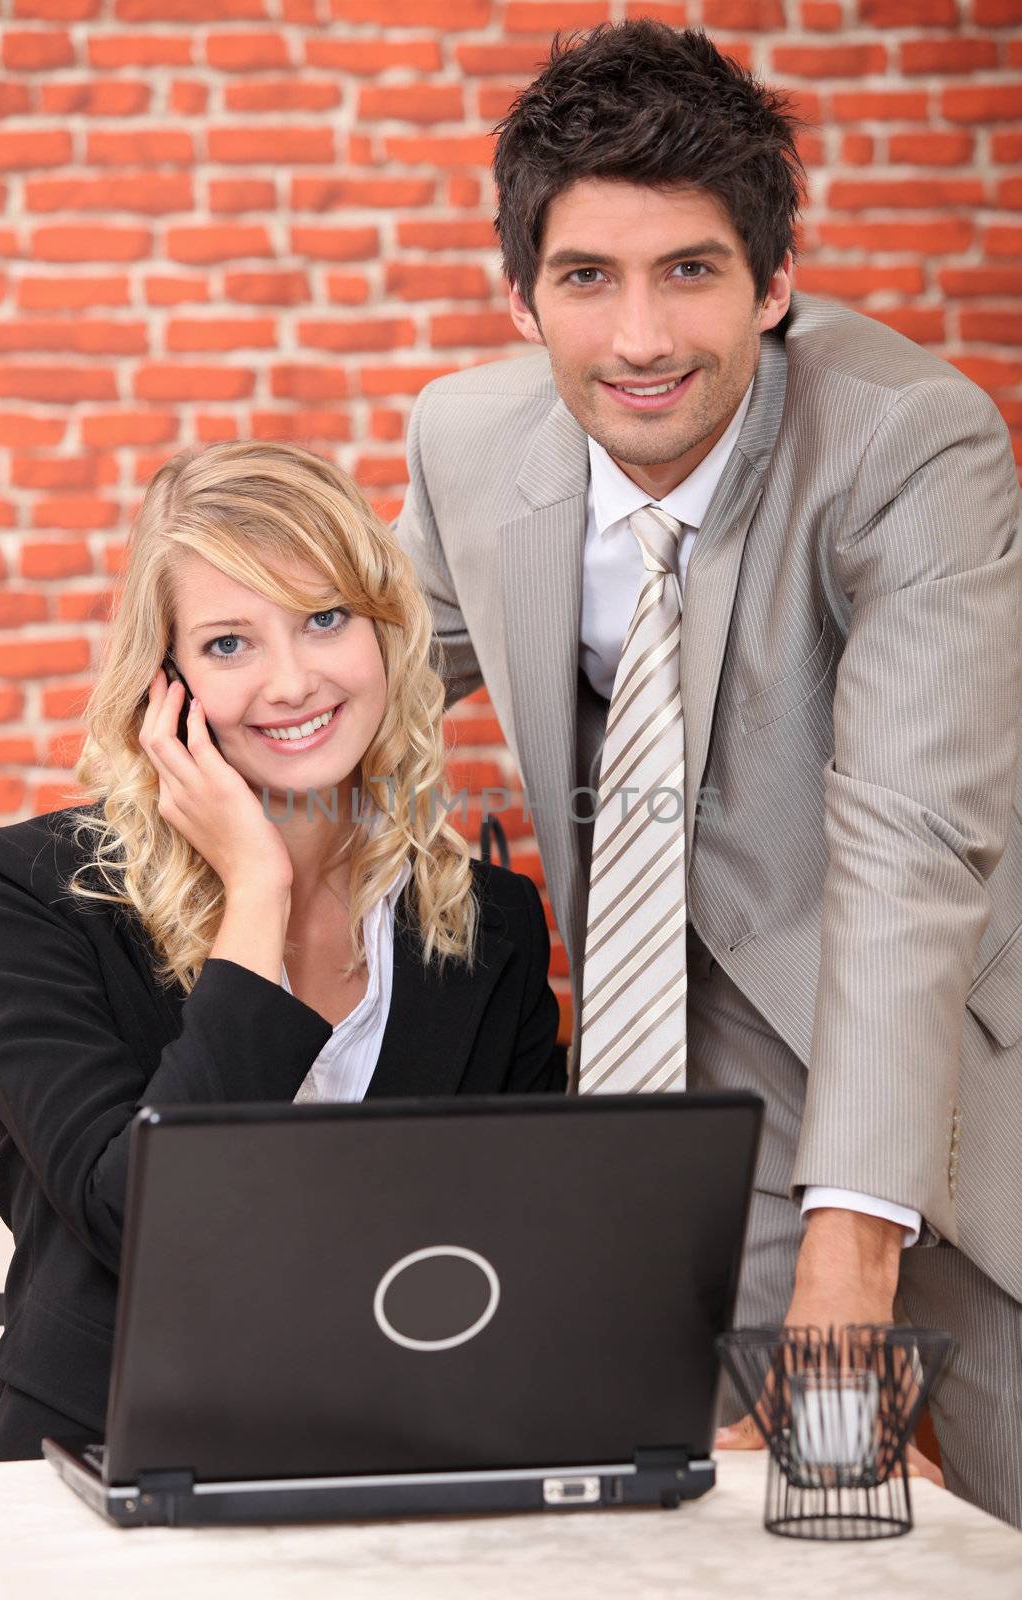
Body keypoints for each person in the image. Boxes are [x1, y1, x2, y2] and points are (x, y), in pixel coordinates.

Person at [394, 21, 1022, 1526]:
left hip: (941, 1045)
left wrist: (851, 1246)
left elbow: (906, 845)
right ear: (521, 296)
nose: (639, 340)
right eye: (584, 279)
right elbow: (336, 713)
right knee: (724, 1518)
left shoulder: (907, 444)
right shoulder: (464, 442)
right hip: (677, 1068)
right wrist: (18, 925)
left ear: (774, 281)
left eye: (689, 270)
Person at [0, 440, 563, 1461]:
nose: (290, 682)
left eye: (325, 619)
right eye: (229, 643)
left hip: (411, 1447)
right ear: (167, 684)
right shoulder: (27, 893)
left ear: (386, 635)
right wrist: (254, 889)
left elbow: (532, 1234)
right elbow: (141, 1215)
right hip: (109, 1456)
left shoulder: (485, 920)